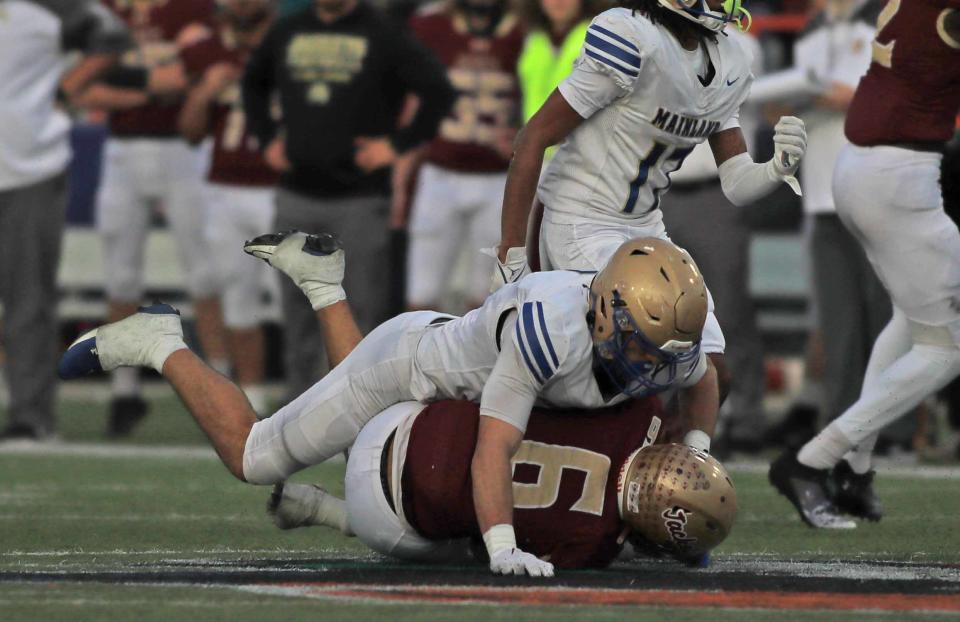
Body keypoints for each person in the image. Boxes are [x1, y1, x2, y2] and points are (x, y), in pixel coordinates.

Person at [59, 231, 711, 577]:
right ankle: (162, 342)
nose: (648, 362)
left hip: (451, 362)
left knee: (358, 430)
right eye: (637, 340)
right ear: (605, 305)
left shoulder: (667, 346)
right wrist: (504, 545)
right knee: (256, 457)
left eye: (659, 348)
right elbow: (494, 449)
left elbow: (702, 379)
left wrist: (697, 449)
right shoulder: (550, 329)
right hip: (410, 364)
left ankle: (322, 283)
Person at [491, 0, 809, 449]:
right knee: (609, 364)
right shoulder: (631, 38)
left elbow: (736, 182)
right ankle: (570, 460)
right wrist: (510, 248)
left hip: (643, 224)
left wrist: (776, 168)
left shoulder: (728, 58)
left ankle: (671, 476)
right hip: (579, 217)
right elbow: (534, 137)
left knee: (713, 373)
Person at [770, 0, 960, 529]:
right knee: (947, 347)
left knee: (913, 316)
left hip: (863, 167)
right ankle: (812, 461)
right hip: (899, 179)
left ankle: (855, 469)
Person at [241, 0, 457, 399]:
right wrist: (267, 137)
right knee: (297, 311)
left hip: (359, 198)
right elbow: (252, 82)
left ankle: (358, 412)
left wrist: (397, 145)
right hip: (296, 193)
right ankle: (300, 409)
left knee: (361, 312)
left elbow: (438, 92)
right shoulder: (289, 29)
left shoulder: (384, 32)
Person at [270, 402, 737, 569]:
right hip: (382, 514)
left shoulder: (640, 411)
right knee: (477, 549)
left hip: (403, 418)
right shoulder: (594, 546)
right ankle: (328, 512)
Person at [73, 0, 226, 437]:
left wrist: (128, 85)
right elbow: (84, 90)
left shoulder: (190, 9)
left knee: (204, 273)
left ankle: (221, 384)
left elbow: (192, 79)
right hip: (123, 149)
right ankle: (124, 391)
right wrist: (147, 89)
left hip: (184, 149)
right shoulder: (106, 12)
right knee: (120, 277)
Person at [0, 0, 130, 441]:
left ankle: (30, 418)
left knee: (28, 301)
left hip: (28, 167)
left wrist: (68, 86)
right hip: (25, 163)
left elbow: (112, 37)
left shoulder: (53, 5)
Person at [659, 25, 765, 453]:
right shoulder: (657, 36)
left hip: (716, 188)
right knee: (661, 311)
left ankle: (748, 418)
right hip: (660, 191)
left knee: (729, 307)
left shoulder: (740, 44)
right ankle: (665, 418)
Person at [177, 0, 279, 414]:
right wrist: (204, 92)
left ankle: (316, 395)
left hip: (279, 188)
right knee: (237, 296)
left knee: (298, 299)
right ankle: (252, 400)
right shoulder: (210, 51)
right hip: (224, 188)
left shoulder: (292, 44)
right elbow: (188, 132)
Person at [402, 0, 525, 313]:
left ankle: (475, 362)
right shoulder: (429, 25)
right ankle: (418, 361)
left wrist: (520, 134)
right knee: (422, 291)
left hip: (499, 178)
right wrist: (401, 179)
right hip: (440, 172)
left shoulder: (524, 30)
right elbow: (409, 103)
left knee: (487, 296)